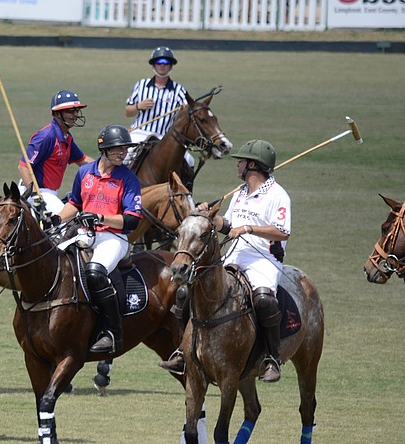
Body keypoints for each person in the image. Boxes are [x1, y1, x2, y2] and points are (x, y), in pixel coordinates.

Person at [159, 139, 290, 383]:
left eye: (241, 161)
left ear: (252, 165)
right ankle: (181, 350)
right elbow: (227, 226)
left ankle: (272, 358)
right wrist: (207, 216)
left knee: (263, 299)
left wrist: (249, 228)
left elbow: (282, 232)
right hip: (234, 254)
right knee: (185, 292)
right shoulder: (240, 194)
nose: (237, 165)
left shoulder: (277, 195)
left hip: (263, 259)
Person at [57, 124, 142, 354]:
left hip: (113, 238)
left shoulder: (129, 179)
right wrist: (55, 220)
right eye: (117, 149)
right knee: (54, 258)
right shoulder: (85, 173)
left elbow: (132, 220)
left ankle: (112, 332)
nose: (123, 153)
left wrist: (100, 217)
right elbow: (74, 203)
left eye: (125, 149)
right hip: (84, 233)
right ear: (104, 149)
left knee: (95, 271)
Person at [19, 90, 94, 216]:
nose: (74, 115)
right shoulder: (46, 136)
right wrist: (34, 194)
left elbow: (83, 160)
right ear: (57, 114)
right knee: (66, 222)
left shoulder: (66, 138)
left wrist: (108, 166)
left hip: (50, 193)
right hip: (36, 191)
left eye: (76, 111)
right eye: (69, 111)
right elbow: (23, 166)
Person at [124, 46, 194, 181]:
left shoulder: (178, 89)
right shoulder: (141, 85)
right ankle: (120, 185)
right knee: (125, 154)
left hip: (164, 137)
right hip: (141, 132)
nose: (162, 66)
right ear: (154, 64)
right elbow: (128, 112)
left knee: (189, 160)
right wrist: (139, 106)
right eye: (159, 62)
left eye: (166, 63)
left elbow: (188, 111)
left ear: (171, 66)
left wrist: (185, 109)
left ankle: (186, 194)